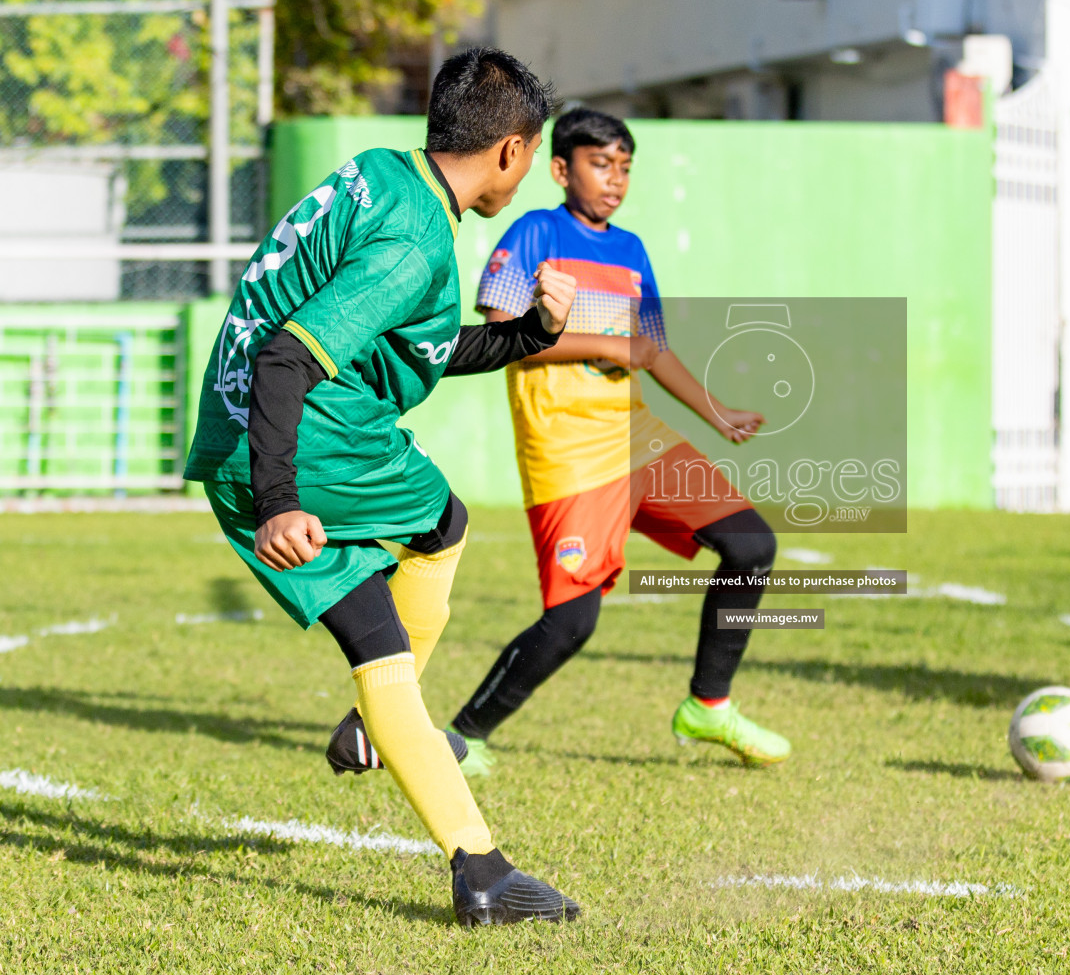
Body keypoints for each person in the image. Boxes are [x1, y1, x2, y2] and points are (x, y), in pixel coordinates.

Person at [183, 47, 584, 925]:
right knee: (439, 523)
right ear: (512, 152)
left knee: (392, 613)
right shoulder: (416, 241)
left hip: (247, 433)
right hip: (300, 436)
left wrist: (523, 335)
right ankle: (474, 863)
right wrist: (282, 499)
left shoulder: (383, 178)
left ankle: (420, 784)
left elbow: (419, 348)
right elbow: (290, 356)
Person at [449, 108, 788, 768]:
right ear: (559, 169)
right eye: (600, 164)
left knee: (751, 544)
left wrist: (716, 412)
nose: (615, 180)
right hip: (566, 447)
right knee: (573, 623)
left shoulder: (630, 250)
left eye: (625, 167)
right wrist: (608, 342)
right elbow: (498, 333)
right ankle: (464, 735)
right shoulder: (533, 232)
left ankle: (707, 708)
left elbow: (650, 350)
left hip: (638, 436)